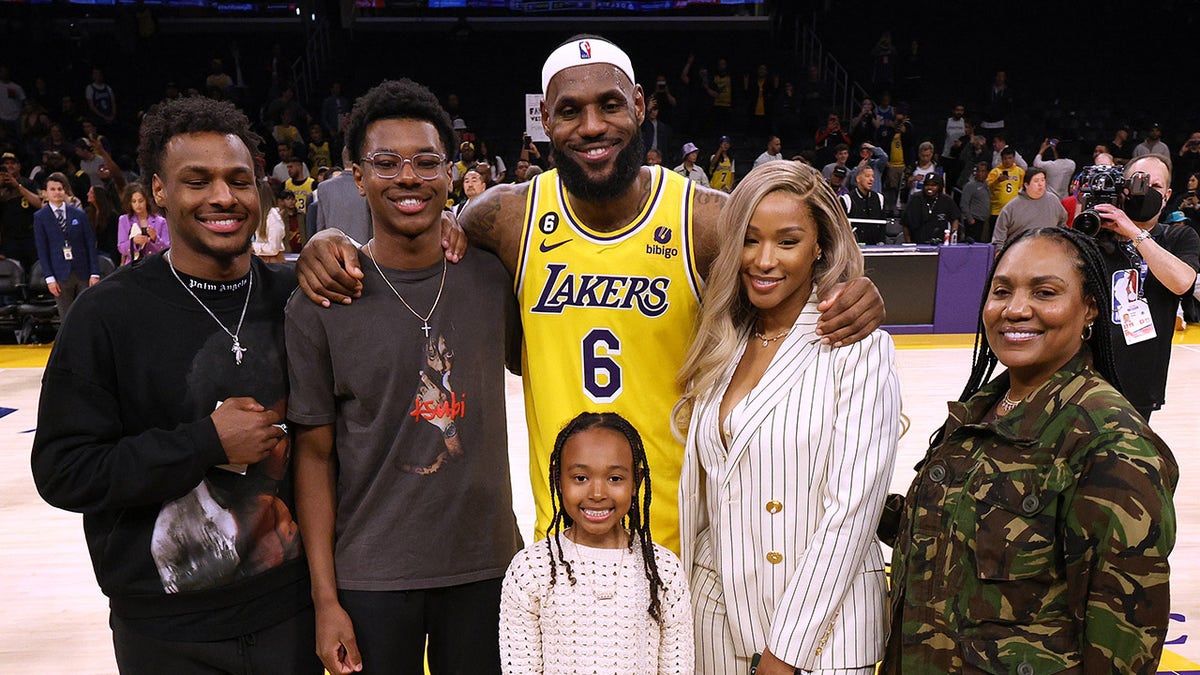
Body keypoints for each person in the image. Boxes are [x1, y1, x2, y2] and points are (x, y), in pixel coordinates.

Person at [296, 34, 884, 553]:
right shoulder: (504, 218)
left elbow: (789, 261)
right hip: (564, 532)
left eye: (609, 105)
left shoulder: (703, 219)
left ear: (639, 106)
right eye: (570, 111)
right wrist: (330, 238)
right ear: (545, 121)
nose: (593, 126)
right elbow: (413, 238)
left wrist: (852, 289)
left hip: (684, 531)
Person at [30, 95, 322, 674]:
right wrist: (205, 444)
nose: (223, 197)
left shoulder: (296, 295)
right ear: (159, 191)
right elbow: (63, 470)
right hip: (166, 632)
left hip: (291, 614)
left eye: (239, 180)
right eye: (198, 180)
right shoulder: (106, 314)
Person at [287, 79, 521, 675]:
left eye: (426, 162)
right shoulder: (321, 299)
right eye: (386, 163)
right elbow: (312, 458)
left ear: (450, 172)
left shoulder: (493, 278)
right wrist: (324, 600)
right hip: (371, 574)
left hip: (487, 567)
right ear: (357, 178)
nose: (408, 178)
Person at [881, 227, 1177, 673]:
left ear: (1091, 306)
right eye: (1002, 291)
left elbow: (1122, 646)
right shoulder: (981, 411)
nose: (1016, 310)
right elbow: (960, 538)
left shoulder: (1112, 444)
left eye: (1045, 292)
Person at [675, 161, 900, 674]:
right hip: (720, 625)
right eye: (750, 240)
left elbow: (853, 513)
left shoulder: (858, 347)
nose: (764, 260)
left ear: (820, 244)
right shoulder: (720, 342)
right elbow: (707, 506)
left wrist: (784, 655)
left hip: (825, 634)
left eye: (788, 241)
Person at [499, 412, 692, 673]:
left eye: (615, 478)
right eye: (580, 478)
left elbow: (676, 667)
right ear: (558, 478)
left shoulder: (663, 570)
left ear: (636, 480)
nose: (597, 493)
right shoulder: (532, 569)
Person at [1093, 155, 1199, 419]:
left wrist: (1132, 232)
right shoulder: (1096, 235)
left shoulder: (1179, 236)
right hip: (1085, 377)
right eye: (1139, 182)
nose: (1147, 191)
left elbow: (1182, 283)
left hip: (1140, 382)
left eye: (1156, 186)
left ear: (1167, 196)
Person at [32, 172, 101, 319]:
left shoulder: (78, 214)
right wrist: (49, 278)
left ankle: (87, 342)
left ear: (65, 191)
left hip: (83, 272)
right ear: (45, 193)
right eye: (53, 189)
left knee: (87, 314)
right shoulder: (40, 217)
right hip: (59, 273)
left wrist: (94, 272)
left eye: (60, 189)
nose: (57, 192)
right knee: (66, 318)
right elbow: (42, 250)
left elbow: (90, 243)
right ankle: (69, 343)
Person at [990, 167, 1067, 249]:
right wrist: (998, 250)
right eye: (1036, 181)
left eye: (1043, 180)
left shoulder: (1053, 200)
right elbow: (999, 237)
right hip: (1019, 252)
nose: (1040, 184)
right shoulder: (1012, 207)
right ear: (1026, 184)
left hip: (1048, 251)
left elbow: (1063, 223)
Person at [116, 182, 169, 265]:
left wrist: (156, 239)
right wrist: (134, 242)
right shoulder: (124, 220)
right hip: (133, 266)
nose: (138, 205)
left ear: (146, 201)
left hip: (155, 265)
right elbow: (121, 247)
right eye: (134, 201)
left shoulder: (160, 221)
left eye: (141, 201)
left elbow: (167, 249)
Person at [902, 172, 960, 245]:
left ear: (939, 186)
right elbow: (905, 223)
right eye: (927, 185)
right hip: (917, 244)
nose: (930, 187)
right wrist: (909, 243)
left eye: (933, 185)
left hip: (940, 244)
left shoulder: (946, 200)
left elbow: (955, 219)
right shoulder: (916, 199)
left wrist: (952, 238)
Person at [252, 185, 286, 263]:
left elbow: (273, 248)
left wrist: (253, 246)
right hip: (262, 260)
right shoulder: (260, 216)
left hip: (274, 262)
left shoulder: (273, 216)